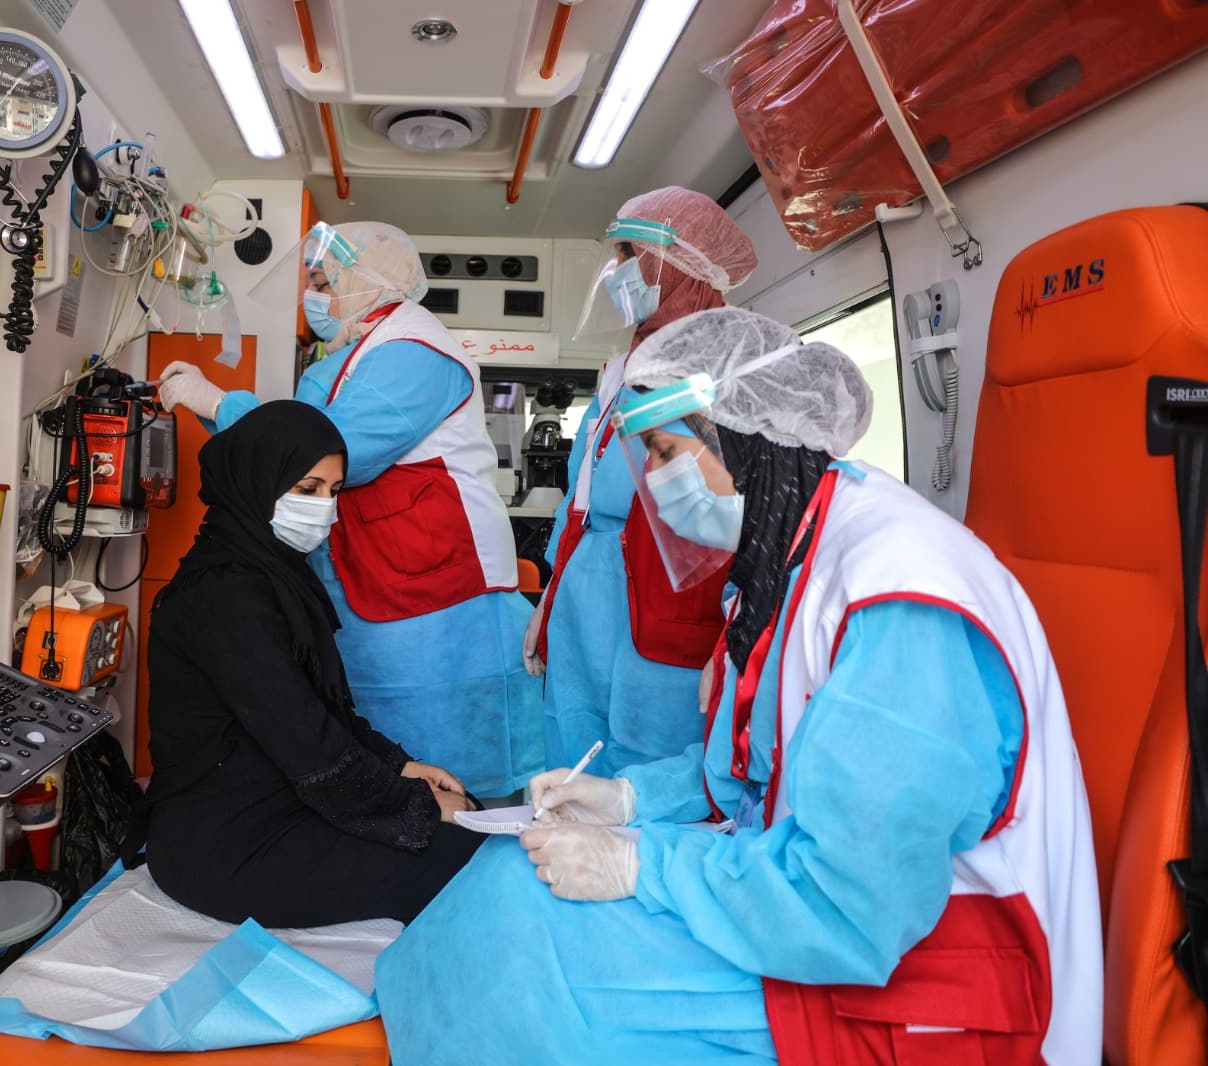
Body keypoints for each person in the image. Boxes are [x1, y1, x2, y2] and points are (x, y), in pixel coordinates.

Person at [375, 309, 1102, 1063]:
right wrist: (631, 801)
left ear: (745, 434)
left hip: (935, 974)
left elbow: (851, 902)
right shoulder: (794, 555)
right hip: (798, 903)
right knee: (509, 875)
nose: (655, 485)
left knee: (537, 954)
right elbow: (762, 771)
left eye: (664, 451)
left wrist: (641, 864)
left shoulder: (900, 600)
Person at [158, 221, 543, 799]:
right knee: (382, 760)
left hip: (435, 599)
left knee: (460, 781)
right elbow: (291, 439)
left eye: (322, 280)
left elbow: (319, 448)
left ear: (366, 280)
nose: (312, 294)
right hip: (379, 585)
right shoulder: (349, 356)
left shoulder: (415, 350)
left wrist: (219, 402)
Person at [144, 400, 482, 926]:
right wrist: (411, 801)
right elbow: (305, 741)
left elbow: (322, 710)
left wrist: (402, 767)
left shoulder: (273, 577)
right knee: (460, 856)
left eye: (333, 490)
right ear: (257, 481)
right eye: (307, 489)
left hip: (279, 804)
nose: (325, 506)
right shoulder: (225, 595)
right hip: (224, 841)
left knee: (468, 822)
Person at [526, 186, 758, 776]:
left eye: (631, 255)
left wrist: (743, 630)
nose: (618, 273)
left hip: (673, 586)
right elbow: (581, 491)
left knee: (651, 756)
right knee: (571, 741)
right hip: (588, 586)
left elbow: (754, 519)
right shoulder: (620, 371)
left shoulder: (730, 366)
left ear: (679, 264)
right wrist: (551, 595)